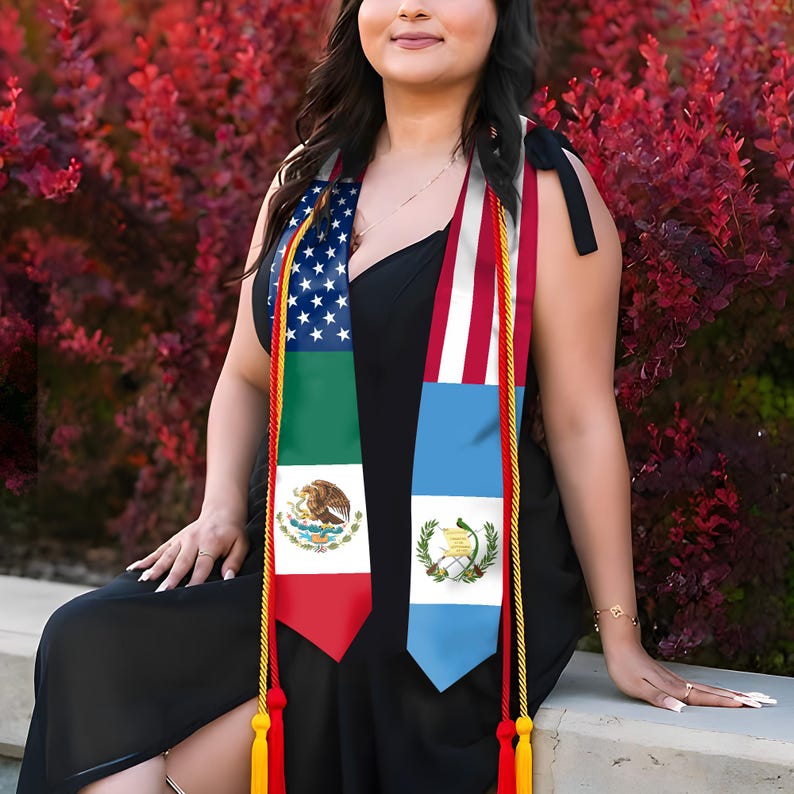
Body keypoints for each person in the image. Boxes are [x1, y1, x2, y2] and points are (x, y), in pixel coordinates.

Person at [17, 1, 776, 793]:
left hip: (452, 570)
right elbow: (246, 374)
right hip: (302, 541)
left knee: (284, 705)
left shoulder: (542, 189)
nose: (412, 5)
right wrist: (217, 509)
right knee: (86, 638)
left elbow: (582, 419)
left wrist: (622, 635)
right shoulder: (307, 178)